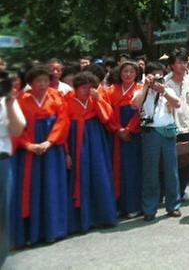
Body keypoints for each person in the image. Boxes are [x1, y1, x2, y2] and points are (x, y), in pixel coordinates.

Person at [11, 64, 69, 247]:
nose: (43, 84)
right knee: (32, 189)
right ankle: (31, 232)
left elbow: (63, 121)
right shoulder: (21, 100)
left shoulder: (56, 97)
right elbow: (17, 126)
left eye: (45, 80)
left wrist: (49, 141)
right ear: (31, 83)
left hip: (51, 150)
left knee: (52, 187)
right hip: (30, 152)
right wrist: (28, 145)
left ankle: (54, 230)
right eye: (38, 81)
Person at [64, 71, 117, 234]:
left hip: (95, 142)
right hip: (76, 142)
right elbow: (64, 127)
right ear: (76, 88)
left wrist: (98, 99)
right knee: (80, 178)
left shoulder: (95, 100)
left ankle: (103, 216)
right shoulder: (66, 101)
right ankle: (81, 220)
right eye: (83, 87)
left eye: (90, 87)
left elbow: (107, 117)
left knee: (99, 176)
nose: (87, 91)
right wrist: (66, 151)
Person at [132, 62, 182, 221]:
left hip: (167, 132)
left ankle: (173, 205)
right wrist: (146, 86)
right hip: (150, 132)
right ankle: (149, 208)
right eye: (154, 76)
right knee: (150, 171)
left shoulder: (167, 88)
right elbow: (134, 104)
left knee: (171, 171)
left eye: (160, 76)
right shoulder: (142, 89)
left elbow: (177, 103)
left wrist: (164, 92)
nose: (157, 80)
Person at [103, 60, 143, 217]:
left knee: (134, 169)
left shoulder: (140, 90)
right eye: (125, 71)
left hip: (134, 135)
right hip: (116, 134)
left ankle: (134, 205)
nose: (128, 74)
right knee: (116, 169)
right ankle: (118, 205)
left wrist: (129, 129)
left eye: (132, 72)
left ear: (137, 74)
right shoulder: (110, 90)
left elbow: (141, 112)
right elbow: (107, 112)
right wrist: (117, 129)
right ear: (119, 73)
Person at [163, 49, 189, 200]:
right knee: (170, 164)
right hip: (170, 128)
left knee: (186, 162)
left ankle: (181, 192)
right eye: (179, 62)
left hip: (187, 126)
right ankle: (169, 193)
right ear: (171, 65)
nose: (183, 65)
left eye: (185, 62)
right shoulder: (165, 83)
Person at [0, 70, 25, 265]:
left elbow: (17, 129)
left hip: (3, 159)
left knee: (3, 212)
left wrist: (8, 101)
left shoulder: (7, 101)